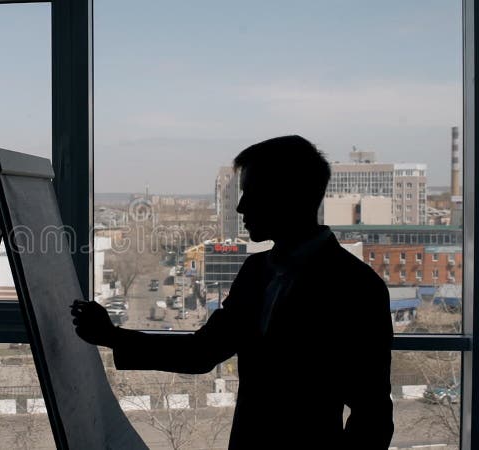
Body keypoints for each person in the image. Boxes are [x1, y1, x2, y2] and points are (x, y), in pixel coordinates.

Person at [72, 135, 393, 449]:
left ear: (287, 196)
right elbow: (203, 352)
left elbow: (373, 415)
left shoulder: (356, 288)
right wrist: (111, 336)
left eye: (250, 193)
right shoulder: (257, 271)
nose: (240, 206)